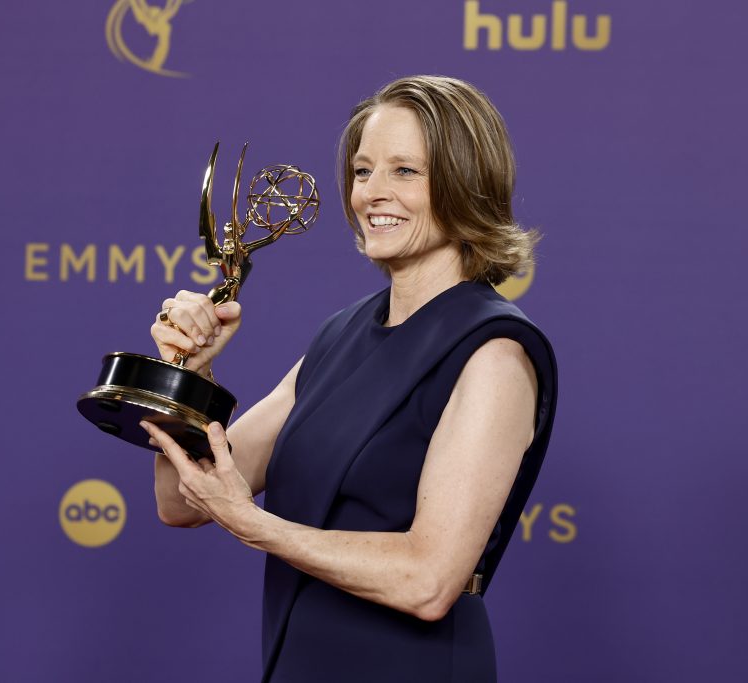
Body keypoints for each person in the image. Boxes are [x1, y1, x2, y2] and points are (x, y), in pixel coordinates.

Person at [139, 75, 557, 683]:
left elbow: (429, 579)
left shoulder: (493, 352)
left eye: (405, 171)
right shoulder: (339, 336)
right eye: (363, 172)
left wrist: (253, 525)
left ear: (468, 183)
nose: (372, 194)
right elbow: (182, 501)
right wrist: (191, 373)